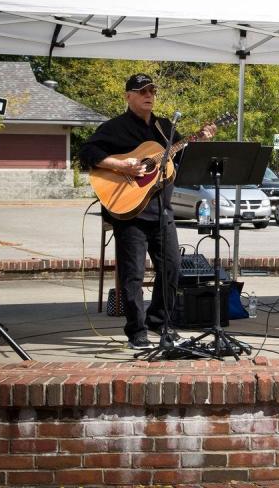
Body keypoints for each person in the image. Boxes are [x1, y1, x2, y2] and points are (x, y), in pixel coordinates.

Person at [79, 73, 215, 349]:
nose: (148, 95)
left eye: (152, 90)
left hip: (162, 211)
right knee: (133, 275)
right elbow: (87, 153)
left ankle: (159, 320)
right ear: (128, 96)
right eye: (141, 91)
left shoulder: (164, 128)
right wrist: (121, 167)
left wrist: (199, 141)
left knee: (173, 268)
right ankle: (136, 331)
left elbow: (182, 160)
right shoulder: (114, 128)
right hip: (129, 213)